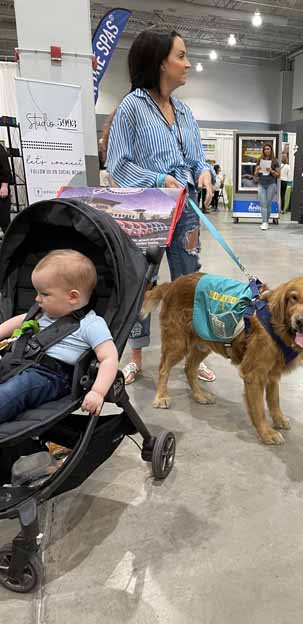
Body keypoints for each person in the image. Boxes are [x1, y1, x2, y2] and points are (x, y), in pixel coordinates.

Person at [106, 29, 216, 384]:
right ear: (159, 62)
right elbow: (118, 164)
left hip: (186, 209)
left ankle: (193, 354)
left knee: (190, 282)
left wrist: (205, 174)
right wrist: (158, 179)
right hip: (147, 210)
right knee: (143, 282)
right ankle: (136, 356)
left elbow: (197, 159)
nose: (188, 64)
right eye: (181, 56)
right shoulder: (131, 108)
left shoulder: (184, 111)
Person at [0, 250, 119, 422]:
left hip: (52, 377)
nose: (37, 299)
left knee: (15, 390)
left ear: (73, 297)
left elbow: (109, 357)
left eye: (44, 294)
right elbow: (16, 322)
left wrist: (98, 391)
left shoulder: (91, 325)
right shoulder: (42, 314)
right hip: (19, 363)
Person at [254, 143, 280, 230]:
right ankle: (264, 222)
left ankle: (266, 221)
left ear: (271, 150)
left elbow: (278, 175)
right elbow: (255, 174)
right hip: (261, 184)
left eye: (268, 149)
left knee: (268, 204)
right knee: (263, 204)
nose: (266, 150)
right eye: (265, 149)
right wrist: (257, 170)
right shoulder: (259, 160)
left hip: (271, 184)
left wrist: (271, 170)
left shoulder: (275, 161)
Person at [0, 143, 12, 233]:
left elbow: (6, 168)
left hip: (1, 190)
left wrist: (4, 186)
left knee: (4, 221)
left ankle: (11, 240)